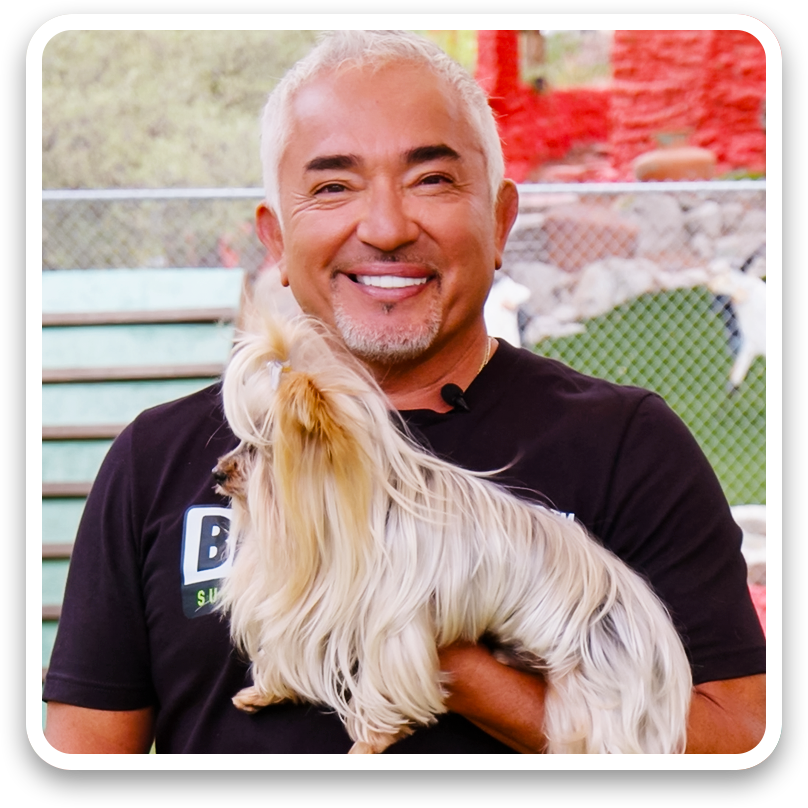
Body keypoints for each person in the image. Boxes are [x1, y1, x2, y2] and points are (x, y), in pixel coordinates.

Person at [43, 31, 765, 755]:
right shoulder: (158, 458)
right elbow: (86, 744)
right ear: (275, 242)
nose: (386, 228)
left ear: (500, 221)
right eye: (333, 186)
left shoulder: (627, 446)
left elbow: (737, 740)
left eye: (432, 180)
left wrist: (436, 649)